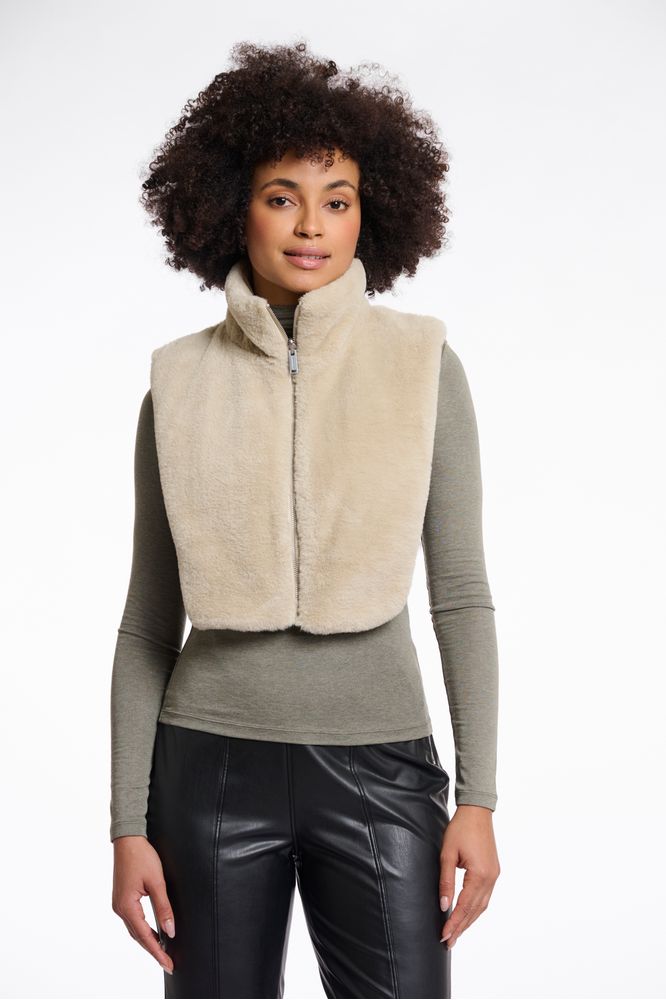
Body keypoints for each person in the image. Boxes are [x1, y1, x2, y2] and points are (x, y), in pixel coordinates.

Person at [110, 39, 501, 1000]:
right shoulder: (177, 385)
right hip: (207, 771)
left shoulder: (424, 368)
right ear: (231, 207)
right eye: (282, 197)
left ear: (374, 212)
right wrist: (126, 824)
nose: (312, 225)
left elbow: (461, 595)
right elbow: (147, 621)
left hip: (384, 768)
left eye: (339, 199)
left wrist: (479, 799)